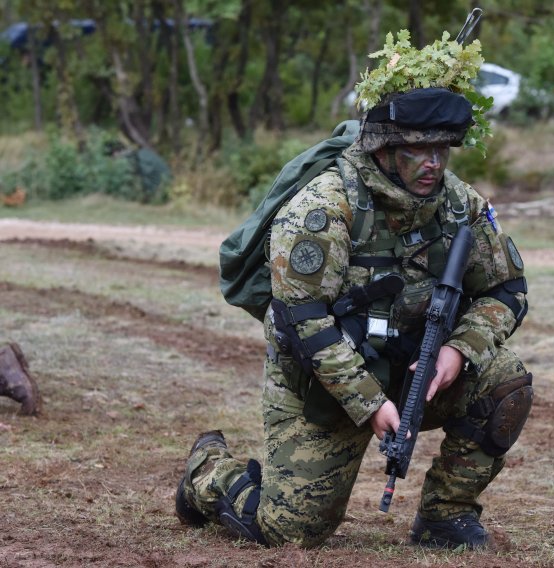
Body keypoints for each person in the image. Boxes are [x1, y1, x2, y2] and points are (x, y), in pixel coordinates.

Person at [175, 56, 532, 552]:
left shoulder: (458, 205)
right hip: (322, 381)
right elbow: (304, 322)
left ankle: (445, 517)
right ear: (383, 148)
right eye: (417, 149)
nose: (433, 162)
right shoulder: (325, 207)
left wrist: (458, 351)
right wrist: (369, 404)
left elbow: (508, 289)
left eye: (441, 150)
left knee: (505, 383)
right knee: (289, 532)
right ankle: (207, 472)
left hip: (412, 370)